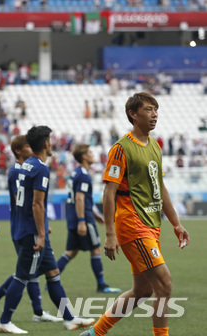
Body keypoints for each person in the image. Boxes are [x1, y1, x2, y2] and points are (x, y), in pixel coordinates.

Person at [80, 92, 190, 336]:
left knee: (142, 291)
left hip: (152, 224)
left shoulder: (155, 145)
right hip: (133, 224)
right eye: (149, 109)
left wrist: (176, 223)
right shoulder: (121, 148)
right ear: (133, 114)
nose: (154, 114)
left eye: (156, 110)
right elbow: (108, 193)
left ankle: (93, 333)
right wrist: (110, 235)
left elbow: (159, 187)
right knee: (164, 284)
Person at [0, 126, 94, 334]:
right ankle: (4, 320)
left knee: (53, 272)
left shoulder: (25, 166)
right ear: (46, 144)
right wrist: (40, 233)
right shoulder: (40, 168)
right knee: (23, 276)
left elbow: (24, 201)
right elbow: (37, 204)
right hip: (32, 232)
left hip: (26, 227)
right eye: (50, 140)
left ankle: (69, 318)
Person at [0, 135, 63, 324]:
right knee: (27, 271)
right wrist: (38, 225)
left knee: (32, 270)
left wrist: (41, 224)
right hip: (23, 226)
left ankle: (38, 312)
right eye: (28, 145)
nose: (32, 148)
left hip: (30, 225)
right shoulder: (16, 172)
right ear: (19, 151)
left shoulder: (24, 169)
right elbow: (24, 203)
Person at [56, 144, 121, 294]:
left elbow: (82, 198)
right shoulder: (84, 175)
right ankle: (101, 285)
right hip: (83, 218)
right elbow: (79, 199)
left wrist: (96, 214)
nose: (92, 154)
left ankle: (52, 279)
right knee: (96, 249)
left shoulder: (76, 173)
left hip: (73, 217)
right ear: (84, 156)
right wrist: (82, 221)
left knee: (71, 251)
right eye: (90, 152)